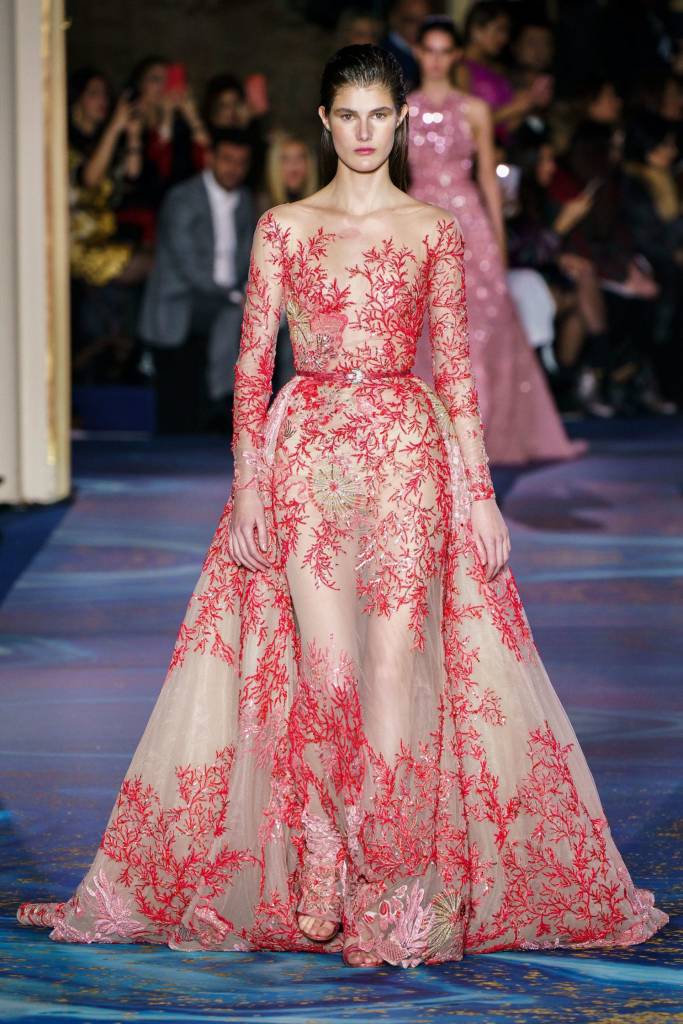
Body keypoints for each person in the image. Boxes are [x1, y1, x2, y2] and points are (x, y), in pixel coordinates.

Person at [17, 44, 668, 970]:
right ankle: (325, 846)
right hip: (307, 460)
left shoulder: (433, 229)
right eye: (347, 116)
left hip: (405, 456)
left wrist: (479, 495)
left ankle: (392, 882)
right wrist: (248, 487)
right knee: (324, 675)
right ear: (325, 123)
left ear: (399, 122)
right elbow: (251, 370)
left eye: (378, 116)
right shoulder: (283, 226)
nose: (364, 133)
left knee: (394, 672)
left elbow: (457, 375)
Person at [407, 16, 586, 463]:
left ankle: (483, 429)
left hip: (468, 222)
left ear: (456, 55)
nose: (436, 60)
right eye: (428, 50)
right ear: (417, 52)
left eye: (444, 51)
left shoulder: (474, 109)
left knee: (483, 323)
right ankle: (432, 434)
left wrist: (497, 242)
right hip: (418, 220)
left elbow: (488, 179)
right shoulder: (402, 110)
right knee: (424, 326)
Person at [138, 128, 256, 433]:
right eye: (227, 159)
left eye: (241, 162)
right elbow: (187, 264)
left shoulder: (245, 201)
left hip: (223, 303)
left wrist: (244, 291)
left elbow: (248, 255)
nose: (234, 168)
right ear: (210, 158)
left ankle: (227, 404)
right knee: (176, 417)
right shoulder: (183, 199)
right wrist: (235, 295)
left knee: (247, 319)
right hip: (181, 301)